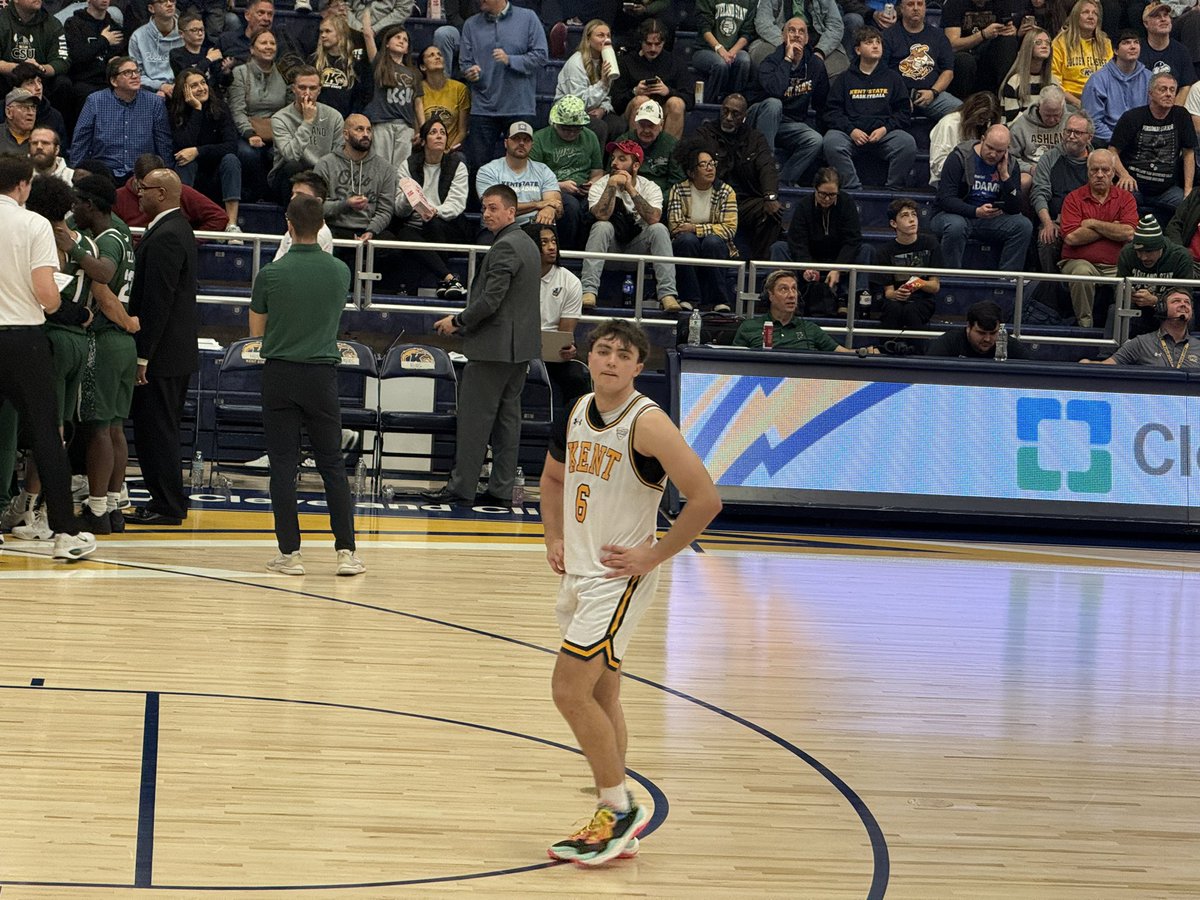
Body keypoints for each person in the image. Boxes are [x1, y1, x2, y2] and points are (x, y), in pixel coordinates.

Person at [541, 317, 721, 867]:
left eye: (623, 354)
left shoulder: (648, 424)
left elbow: (706, 499)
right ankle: (617, 811)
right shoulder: (575, 410)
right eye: (603, 350)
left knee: (569, 691)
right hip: (582, 573)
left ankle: (616, 807)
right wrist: (553, 535)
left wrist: (654, 554)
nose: (611, 360)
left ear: (638, 367)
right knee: (601, 695)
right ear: (588, 357)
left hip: (619, 579)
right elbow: (552, 479)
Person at [248, 193, 363, 578]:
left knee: (283, 465)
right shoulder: (340, 272)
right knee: (332, 463)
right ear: (323, 226)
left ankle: (290, 555)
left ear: (288, 224)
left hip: (280, 373)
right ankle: (346, 552)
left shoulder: (270, 274)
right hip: (321, 375)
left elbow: (255, 332)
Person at [0, 153, 95, 559]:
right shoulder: (33, 223)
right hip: (23, 337)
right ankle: (65, 534)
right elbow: (46, 295)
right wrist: (73, 311)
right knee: (45, 434)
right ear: (23, 186)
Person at [423, 184, 541, 506]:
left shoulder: (505, 246)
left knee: (475, 422)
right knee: (507, 423)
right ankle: (501, 490)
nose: (486, 214)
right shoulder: (528, 243)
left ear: (511, 212)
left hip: (493, 349)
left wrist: (457, 321)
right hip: (519, 350)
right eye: (484, 208)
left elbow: (490, 301)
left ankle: (462, 488)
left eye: (492, 208)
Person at [125, 167, 198, 526]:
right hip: (173, 352)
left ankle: (168, 504)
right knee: (158, 428)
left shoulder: (168, 233)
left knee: (158, 430)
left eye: (145, 188)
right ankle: (166, 500)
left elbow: (158, 301)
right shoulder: (175, 227)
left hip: (164, 355)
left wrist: (143, 355)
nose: (139, 193)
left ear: (164, 195)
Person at [71, 174, 140, 536]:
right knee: (115, 427)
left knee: (99, 427)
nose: (72, 208)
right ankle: (113, 506)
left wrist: (126, 321)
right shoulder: (122, 231)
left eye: (77, 202)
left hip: (106, 336)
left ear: (90, 205)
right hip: (123, 346)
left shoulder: (106, 240)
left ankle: (96, 509)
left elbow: (104, 287)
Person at [581, 138, 679, 313]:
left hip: (638, 249)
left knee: (659, 229)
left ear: (635, 166)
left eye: (622, 159)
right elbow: (601, 214)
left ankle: (667, 294)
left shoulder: (650, 187)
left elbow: (654, 218)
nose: (615, 163)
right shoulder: (601, 185)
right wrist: (611, 186)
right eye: (614, 158)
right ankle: (588, 291)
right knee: (602, 226)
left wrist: (631, 190)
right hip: (609, 249)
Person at [821, 27, 917, 193]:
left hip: (883, 135)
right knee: (831, 142)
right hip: (851, 136)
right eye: (869, 42)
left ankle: (892, 191)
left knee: (907, 143)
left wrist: (885, 129)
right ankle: (853, 189)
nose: (875, 46)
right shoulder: (844, 79)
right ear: (858, 50)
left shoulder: (893, 78)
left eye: (878, 42)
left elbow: (903, 112)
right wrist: (851, 130)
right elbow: (832, 112)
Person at [459, 0, 548, 170]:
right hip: (483, 108)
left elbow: (541, 56)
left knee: (520, 166)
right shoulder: (471, 24)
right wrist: (470, 72)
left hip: (519, 106)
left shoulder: (528, 18)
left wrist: (511, 60)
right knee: (478, 167)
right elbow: (464, 63)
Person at [932, 123, 1033, 273]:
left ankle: (1007, 281)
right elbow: (946, 199)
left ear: (1007, 150)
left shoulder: (1011, 165)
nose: (993, 154)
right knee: (956, 226)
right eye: (990, 148)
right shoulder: (960, 157)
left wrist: (1005, 177)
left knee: (1023, 225)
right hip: (953, 215)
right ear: (982, 139)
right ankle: (949, 278)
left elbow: (1015, 207)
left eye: (999, 151)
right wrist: (975, 211)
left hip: (989, 220)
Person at [694, 94, 783, 263]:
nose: (728, 118)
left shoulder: (755, 138)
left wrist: (770, 196)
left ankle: (759, 266)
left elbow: (767, 167)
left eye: (735, 114)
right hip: (713, 200)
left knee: (772, 211)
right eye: (725, 111)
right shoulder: (705, 133)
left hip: (744, 201)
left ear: (744, 117)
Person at [770, 167, 869, 318]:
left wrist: (838, 268)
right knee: (780, 247)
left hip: (839, 256)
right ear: (815, 189)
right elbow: (797, 240)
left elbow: (852, 239)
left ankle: (849, 299)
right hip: (810, 256)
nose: (827, 199)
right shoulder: (804, 205)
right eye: (823, 194)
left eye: (832, 195)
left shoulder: (847, 203)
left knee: (865, 250)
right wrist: (806, 265)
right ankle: (788, 297)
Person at [1058, 147, 1138, 327]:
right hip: (1078, 261)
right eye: (1095, 170)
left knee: (1131, 278)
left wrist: (1093, 223)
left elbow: (1128, 233)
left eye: (1105, 170)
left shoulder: (1126, 198)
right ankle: (1085, 326)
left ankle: (1123, 329)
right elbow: (1071, 237)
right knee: (1082, 273)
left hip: (1117, 265)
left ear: (1113, 172)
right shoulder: (1073, 198)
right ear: (1088, 172)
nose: (1100, 174)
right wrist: (1113, 227)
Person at [392, 117, 470, 296]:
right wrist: (407, 198)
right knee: (403, 234)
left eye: (443, 133)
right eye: (433, 132)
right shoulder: (408, 165)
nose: (439, 136)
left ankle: (445, 280)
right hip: (415, 224)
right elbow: (399, 209)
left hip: (448, 225)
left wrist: (435, 211)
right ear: (424, 140)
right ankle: (448, 279)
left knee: (431, 222)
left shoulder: (457, 165)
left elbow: (457, 204)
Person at [746, 16, 828, 186]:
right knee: (775, 104)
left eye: (801, 31)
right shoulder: (770, 61)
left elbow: (822, 103)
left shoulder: (815, 65)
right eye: (791, 30)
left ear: (806, 39)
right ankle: (765, 169)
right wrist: (788, 60)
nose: (797, 35)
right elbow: (775, 91)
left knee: (815, 140)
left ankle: (782, 181)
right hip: (760, 116)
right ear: (784, 37)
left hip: (789, 124)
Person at [1110, 72, 1197, 226]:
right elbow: (1112, 151)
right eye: (1163, 89)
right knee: (1117, 204)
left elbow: (1189, 153)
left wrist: (1188, 190)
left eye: (1172, 90)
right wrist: (1123, 174)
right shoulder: (1132, 117)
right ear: (1150, 93)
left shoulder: (1181, 116)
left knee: (1191, 209)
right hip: (1134, 186)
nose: (1169, 94)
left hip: (1167, 190)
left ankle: (1175, 245)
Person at [71, 56, 174, 183]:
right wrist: (75, 171)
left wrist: (167, 174)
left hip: (142, 173)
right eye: (127, 73)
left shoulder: (155, 102)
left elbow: (163, 142)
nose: (135, 76)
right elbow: (81, 139)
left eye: (136, 71)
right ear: (114, 81)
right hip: (105, 171)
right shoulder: (95, 101)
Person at [527, 221, 591, 417]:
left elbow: (565, 334)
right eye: (544, 242)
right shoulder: (516, 276)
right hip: (516, 349)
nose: (552, 247)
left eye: (553, 241)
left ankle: (571, 432)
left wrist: (566, 348)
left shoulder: (570, 281)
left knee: (576, 377)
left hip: (551, 355)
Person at [168, 66, 243, 231]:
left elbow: (231, 146)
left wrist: (198, 151)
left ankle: (231, 224)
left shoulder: (220, 107)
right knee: (184, 162)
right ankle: (180, 222)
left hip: (216, 173)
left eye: (203, 83)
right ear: (184, 90)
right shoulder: (175, 111)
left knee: (231, 160)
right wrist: (197, 110)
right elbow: (183, 145)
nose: (201, 88)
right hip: (190, 173)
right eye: (194, 85)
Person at [666, 141, 737, 311]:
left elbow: (729, 229)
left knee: (711, 242)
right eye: (703, 164)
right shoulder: (679, 190)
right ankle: (690, 298)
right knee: (686, 241)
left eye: (712, 163)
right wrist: (703, 230)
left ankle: (720, 300)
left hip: (718, 245)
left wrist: (695, 228)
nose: (710, 168)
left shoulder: (726, 192)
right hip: (688, 244)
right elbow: (676, 226)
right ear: (691, 171)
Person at [732, 269, 874, 351]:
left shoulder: (810, 329)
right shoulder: (749, 327)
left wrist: (865, 351)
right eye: (784, 289)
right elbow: (734, 366)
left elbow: (844, 353)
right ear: (770, 296)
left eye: (794, 289)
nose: (792, 295)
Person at [531, 95, 603, 250]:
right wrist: (560, 185)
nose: (571, 133)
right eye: (566, 128)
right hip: (553, 190)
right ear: (555, 123)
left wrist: (593, 184)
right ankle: (566, 251)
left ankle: (586, 251)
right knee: (571, 207)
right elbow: (532, 179)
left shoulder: (590, 137)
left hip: (584, 189)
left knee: (595, 208)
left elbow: (597, 171)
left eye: (576, 129)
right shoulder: (539, 139)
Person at [313, 113, 396, 242]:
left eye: (369, 130)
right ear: (346, 134)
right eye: (359, 129)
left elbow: (385, 210)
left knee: (392, 249)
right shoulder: (325, 164)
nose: (366, 134)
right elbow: (316, 206)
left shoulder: (385, 168)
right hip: (334, 227)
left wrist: (371, 231)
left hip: (369, 229)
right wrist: (346, 204)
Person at [268, 64, 344, 202]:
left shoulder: (334, 116)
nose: (307, 93)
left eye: (313, 88)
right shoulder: (280, 118)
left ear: (319, 90)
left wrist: (320, 173)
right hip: (288, 177)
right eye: (302, 87)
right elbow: (291, 156)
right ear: (293, 89)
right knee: (293, 166)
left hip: (321, 174)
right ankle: (291, 218)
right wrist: (308, 122)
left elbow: (337, 158)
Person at [228, 29, 287, 203]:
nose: (269, 47)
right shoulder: (240, 72)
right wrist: (249, 133)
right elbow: (237, 110)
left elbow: (288, 109)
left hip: (276, 130)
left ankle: (276, 201)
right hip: (246, 129)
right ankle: (255, 198)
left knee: (285, 154)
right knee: (249, 153)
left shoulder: (283, 73)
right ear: (252, 49)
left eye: (272, 43)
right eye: (263, 43)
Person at [1032, 110, 1093, 274]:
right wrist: (1047, 223)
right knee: (1047, 239)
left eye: (1078, 133)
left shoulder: (1097, 161)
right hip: (1056, 221)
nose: (1071, 136)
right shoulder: (1049, 158)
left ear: (1089, 138)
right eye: (1068, 131)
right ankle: (1050, 292)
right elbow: (1039, 193)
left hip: (1089, 223)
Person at [609, 18, 690, 139]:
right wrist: (634, 92)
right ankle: (634, 153)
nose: (653, 49)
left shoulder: (675, 62)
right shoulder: (626, 61)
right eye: (648, 44)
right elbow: (616, 103)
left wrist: (668, 92)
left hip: (663, 111)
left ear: (664, 43)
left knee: (677, 103)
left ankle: (667, 154)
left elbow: (689, 99)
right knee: (641, 101)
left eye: (657, 44)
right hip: (633, 109)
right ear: (641, 42)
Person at [1118, 214, 1195, 338]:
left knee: (1183, 311)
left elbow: (1185, 296)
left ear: (1161, 247)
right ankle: (1107, 354)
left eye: (1149, 252)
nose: (1143, 257)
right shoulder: (1127, 253)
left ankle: (1179, 353)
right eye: (1139, 251)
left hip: (1167, 310)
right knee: (1115, 309)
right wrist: (1127, 295)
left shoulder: (1180, 257)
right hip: (1137, 309)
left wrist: (1156, 301)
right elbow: (1117, 288)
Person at [476, 120, 562, 229]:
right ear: (506, 143)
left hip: (534, 225)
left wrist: (549, 208)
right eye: (516, 138)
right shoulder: (488, 171)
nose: (521, 143)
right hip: (497, 228)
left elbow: (555, 203)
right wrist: (537, 204)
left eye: (526, 140)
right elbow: (495, 208)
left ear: (532, 145)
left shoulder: (543, 170)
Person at [883, 0, 961, 121]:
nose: (915, 8)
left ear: (925, 8)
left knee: (963, 114)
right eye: (910, 4)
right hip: (896, 96)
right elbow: (881, 72)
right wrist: (899, 97)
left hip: (932, 95)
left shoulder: (938, 37)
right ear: (901, 9)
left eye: (919, 4)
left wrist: (933, 92)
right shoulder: (888, 36)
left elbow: (948, 72)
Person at [1081, 287, 1200, 365]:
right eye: (1176, 301)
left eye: (1187, 302)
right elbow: (1108, 365)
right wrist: (1088, 363)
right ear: (1162, 309)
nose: (1183, 305)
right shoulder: (1141, 343)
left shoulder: (1198, 346)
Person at [873, 197, 942, 330]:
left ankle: (916, 350)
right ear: (894, 223)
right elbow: (889, 292)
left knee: (911, 310)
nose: (912, 220)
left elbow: (935, 286)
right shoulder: (885, 251)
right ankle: (886, 348)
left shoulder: (930, 243)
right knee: (893, 309)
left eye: (914, 215)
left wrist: (919, 282)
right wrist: (897, 294)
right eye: (905, 216)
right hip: (896, 300)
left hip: (922, 299)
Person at [555, 19, 625, 147]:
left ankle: (610, 165)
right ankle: (595, 166)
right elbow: (577, 103)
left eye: (608, 35)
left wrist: (603, 109)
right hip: (570, 112)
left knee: (618, 125)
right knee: (599, 127)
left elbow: (608, 95)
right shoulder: (576, 63)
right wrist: (603, 82)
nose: (606, 39)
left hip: (594, 110)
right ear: (588, 39)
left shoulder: (606, 59)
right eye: (600, 35)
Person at [361, 22, 422, 170]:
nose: (401, 40)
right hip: (382, 123)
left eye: (405, 39)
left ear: (408, 49)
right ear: (387, 43)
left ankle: (398, 194)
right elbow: (368, 35)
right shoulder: (380, 64)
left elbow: (418, 103)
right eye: (397, 37)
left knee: (401, 170)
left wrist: (422, 129)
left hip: (405, 127)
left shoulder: (414, 73)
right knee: (380, 167)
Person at [941, 0, 1021, 98]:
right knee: (965, 60)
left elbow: (1006, 29)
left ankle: (1005, 99)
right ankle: (963, 107)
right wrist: (983, 35)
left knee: (1008, 42)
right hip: (964, 57)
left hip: (988, 57)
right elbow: (952, 45)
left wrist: (1011, 31)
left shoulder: (1001, 3)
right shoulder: (954, 3)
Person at [1082, 30, 1151, 144]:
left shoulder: (1149, 78)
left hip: (1144, 141)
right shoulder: (1097, 80)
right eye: (1126, 43)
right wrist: (1118, 141)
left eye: (1136, 42)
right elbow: (1092, 122)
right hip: (1108, 143)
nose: (1133, 46)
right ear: (1115, 50)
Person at [609, 98, 682, 201]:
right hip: (626, 196)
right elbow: (611, 173)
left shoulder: (672, 145)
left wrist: (658, 200)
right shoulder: (623, 142)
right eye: (642, 125)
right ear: (636, 123)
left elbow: (677, 182)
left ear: (661, 125)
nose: (646, 130)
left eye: (651, 125)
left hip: (660, 198)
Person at [65, 0, 129, 117]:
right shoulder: (74, 24)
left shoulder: (114, 27)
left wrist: (115, 61)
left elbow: (119, 55)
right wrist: (103, 40)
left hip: (108, 81)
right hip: (84, 80)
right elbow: (77, 56)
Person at [752, 0, 848, 76]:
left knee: (840, 65)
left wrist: (821, 51)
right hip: (781, 38)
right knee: (762, 53)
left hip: (817, 40)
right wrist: (786, 44)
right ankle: (770, 100)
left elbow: (836, 26)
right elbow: (762, 22)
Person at [928, 90, 1002, 186]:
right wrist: (966, 171)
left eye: (987, 119)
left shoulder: (981, 126)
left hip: (977, 179)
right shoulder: (949, 124)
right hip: (950, 181)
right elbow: (937, 164)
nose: (982, 123)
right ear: (972, 111)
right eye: (981, 118)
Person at [310, 13, 371, 120]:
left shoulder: (355, 62)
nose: (323, 35)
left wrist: (353, 116)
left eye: (328, 31)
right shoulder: (314, 60)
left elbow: (362, 93)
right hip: (318, 118)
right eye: (321, 32)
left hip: (345, 119)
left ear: (340, 33)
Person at [1052, 0, 1111, 107]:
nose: (1091, 16)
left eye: (1095, 13)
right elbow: (1054, 82)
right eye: (1085, 12)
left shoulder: (1105, 43)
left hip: (1102, 100)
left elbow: (1112, 78)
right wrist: (1078, 103)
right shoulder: (1060, 42)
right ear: (1075, 16)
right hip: (1069, 102)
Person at [693, 0, 753, 103]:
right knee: (720, 64)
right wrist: (720, 49)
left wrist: (732, 52)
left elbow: (747, 33)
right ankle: (710, 105)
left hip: (734, 49)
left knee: (744, 60)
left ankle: (735, 103)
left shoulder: (750, 2)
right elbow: (704, 28)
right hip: (705, 49)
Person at [926, 300, 1029, 358]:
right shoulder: (949, 342)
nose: (987, 339)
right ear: (968, 327)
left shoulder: (1008, 345)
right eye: (981, 333)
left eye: (993, 333)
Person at [1009, 84, 1067, 188]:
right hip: (1032, 168)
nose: (1052, 120)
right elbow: (1010, 157)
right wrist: (1029, 168)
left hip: (1063, 167)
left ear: (1062, 108)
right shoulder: (1021, 125)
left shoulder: (1070, 121)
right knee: (1024, 181)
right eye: (1047, 115)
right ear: (1039, 107)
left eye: (1057, 115)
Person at [415, 43, 469, 152]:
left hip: (450, 149)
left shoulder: (460, 88)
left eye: (439, 54)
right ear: (422, 66)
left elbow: (462, 131)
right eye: (431, 55)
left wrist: (447, 150)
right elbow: (417, 127)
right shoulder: (417, 89)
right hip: (424, 148)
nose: (437, 57)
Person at [273, 170, 334, 260]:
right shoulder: (293, 228)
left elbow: (294, 268)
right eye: (293, 194)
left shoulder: (320, 234)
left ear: (318, 202)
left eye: (300, 194)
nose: (292, 198)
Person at [1141, 3, 1196, 103]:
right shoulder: (1138, 50)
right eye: (1157, 16)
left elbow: (1186, 86)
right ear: (1146, 23)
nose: (1163, 19)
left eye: (1166, 15)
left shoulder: (1181, 51)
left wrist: (1172, 112)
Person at [129, 0, 182, 99]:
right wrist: (161, 86)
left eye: (172, 0)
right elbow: (136, 74)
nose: (169, 4)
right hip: (149, 90)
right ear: (151, 8)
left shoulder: (186, 31)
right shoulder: (138, 36)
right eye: (162, 1)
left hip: (183, 86)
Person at [1001, 28, 1053, 124]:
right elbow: (1012, 122)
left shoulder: (1053, 82)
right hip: (1019, 133)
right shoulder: (1014, 82)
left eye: (1047, 42)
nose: (1044, 46)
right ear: (1028, 47)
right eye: (1038, 42)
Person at [169, 12, 224, 87]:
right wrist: (209, 59)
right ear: (181, 33)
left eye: (202, 29)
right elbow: (190, 77)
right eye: (195, 30)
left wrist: (226, 70)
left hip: (213, 95)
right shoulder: (176, 54)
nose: (200, 33)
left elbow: (225, 82)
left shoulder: (209, 51)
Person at [1, 87, 38, 154]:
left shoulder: (41, 138)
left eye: (33, 107)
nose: (31, 113)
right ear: (9, 112)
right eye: (24, 107)